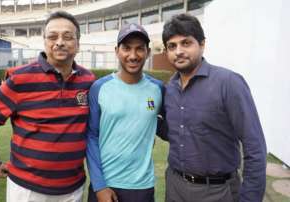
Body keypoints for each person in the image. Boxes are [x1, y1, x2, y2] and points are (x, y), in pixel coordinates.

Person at [0, 11, 95, 202]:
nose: (59, 42)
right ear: (45, 42)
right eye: (52, 36)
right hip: (27, 190)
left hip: (72, 189)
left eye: (67, 37)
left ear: (78, 44)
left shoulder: (88, 80)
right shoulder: (19, 78)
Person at [161, 13, 267, 202]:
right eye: (172, 46)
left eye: (186, 43)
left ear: (202, 44)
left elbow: (254, 147)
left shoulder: (228, 83)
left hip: (217, 192)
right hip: (175, 187)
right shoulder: (170, 89)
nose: (178, 51)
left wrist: (250, 198)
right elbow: (174, 132)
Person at [86, 23, 164, 202]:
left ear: (148, 52)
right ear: (116, 51)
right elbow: (91, 136)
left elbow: (168, 124)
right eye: (127, 48)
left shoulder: (158, 89)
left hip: (142, 186)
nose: (133, 55)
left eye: (139, 49)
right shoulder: (99, 88)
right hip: (106, 185)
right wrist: (99, 185)